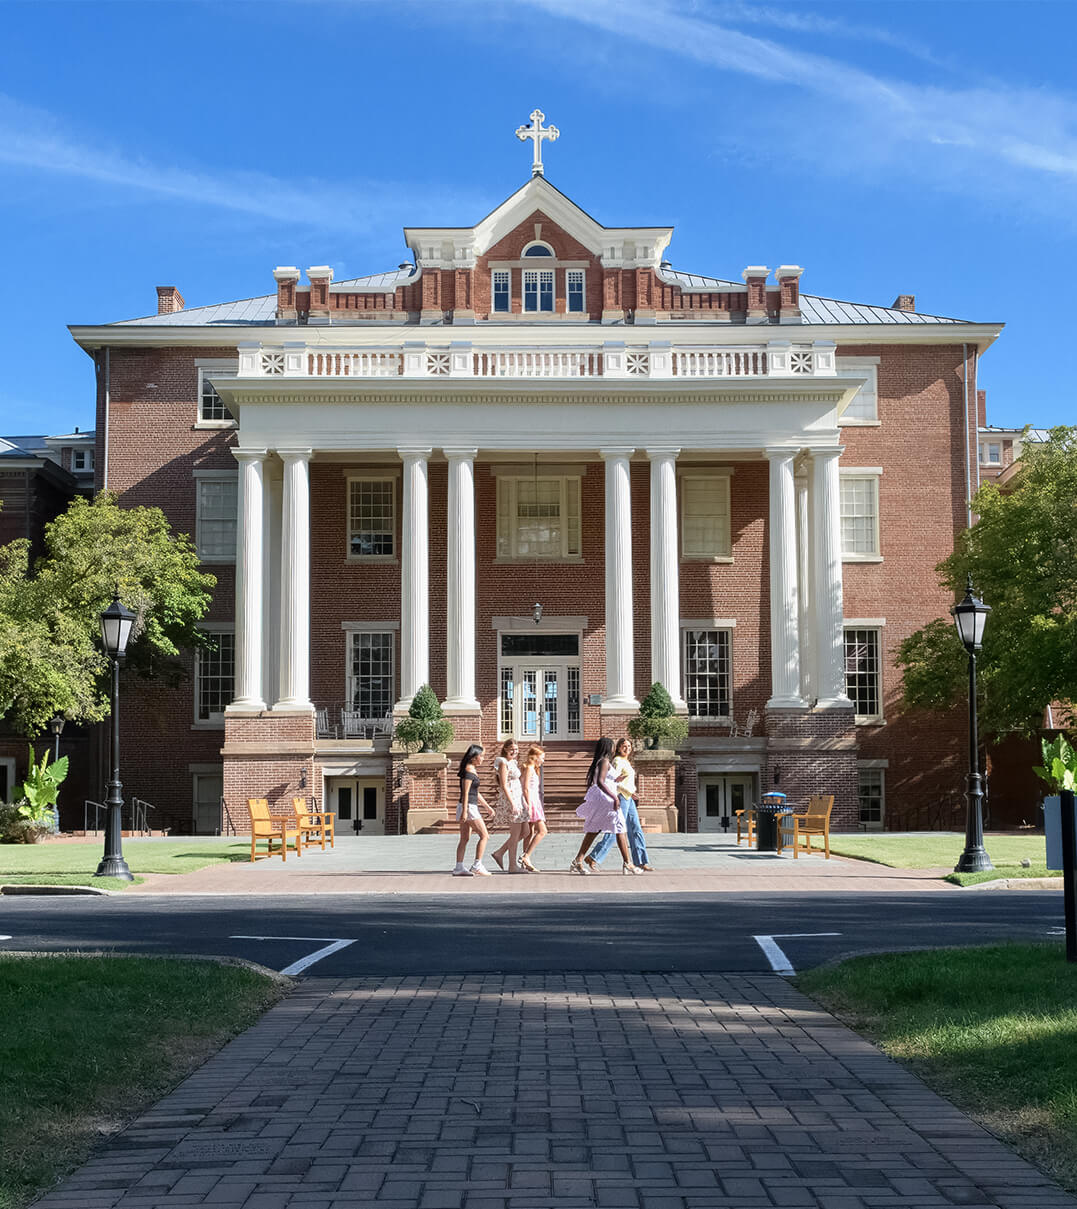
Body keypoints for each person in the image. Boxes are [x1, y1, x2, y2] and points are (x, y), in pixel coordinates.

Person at [570, 737, 640, 875]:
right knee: (619, 829)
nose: (614, 748)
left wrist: (616, 780)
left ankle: (578, 860)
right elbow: (601, 782)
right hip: (607, 800)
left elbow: (606, 780)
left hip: (603, 799)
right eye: (613, 746)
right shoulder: (605, 761)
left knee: (595, 830)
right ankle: (628, 863)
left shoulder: (602, 761)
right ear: (609, 747)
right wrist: (614, 797)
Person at [585, 738, 653, 872]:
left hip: (628, 797)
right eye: (623, 746)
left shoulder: (626, 761)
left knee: (635, 828)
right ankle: (594, 857)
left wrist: (632, 792)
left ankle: (640, 861)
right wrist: (629, 792)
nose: (627, 748)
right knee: (617, 830)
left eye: (629, 746)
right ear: (618, 748)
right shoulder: (616, 761)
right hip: (621, 797)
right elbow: (613, 781)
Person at [453, 744, 493, 876]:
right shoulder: (469, 771)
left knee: (464, 838)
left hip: (469, 806)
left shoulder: (471, 770)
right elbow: (465, 793)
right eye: (481, 756)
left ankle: (459, 867)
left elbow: (475, 792)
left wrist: (487, 806)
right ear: (474, 757)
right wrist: (464, 811)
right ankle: (477, 865)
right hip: (468, 807)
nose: (483, 759)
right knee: (484, 835)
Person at [489, 739, 527, 873]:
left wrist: (524, 800)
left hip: (519, 797)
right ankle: (512, 865)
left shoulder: (513, 762)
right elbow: (504, 784)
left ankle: (500, 852)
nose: (514, 751)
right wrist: (512, 803)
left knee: (525, 832)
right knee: (515, 833)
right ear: (505, 749)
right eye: (512, 749)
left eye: (516, 749)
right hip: (511, 798)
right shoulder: (503, 763)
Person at [520, 745, 547, 872]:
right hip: (532, 802)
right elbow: (525, 787)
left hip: (534, 800)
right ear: (535, 757)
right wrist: (529, 805)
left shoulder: (533, 769)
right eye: (542, 757)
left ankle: (525, 861)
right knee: (542, 831)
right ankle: (526, 856)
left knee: (529, 832)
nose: (543, 760)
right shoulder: (529, 769)